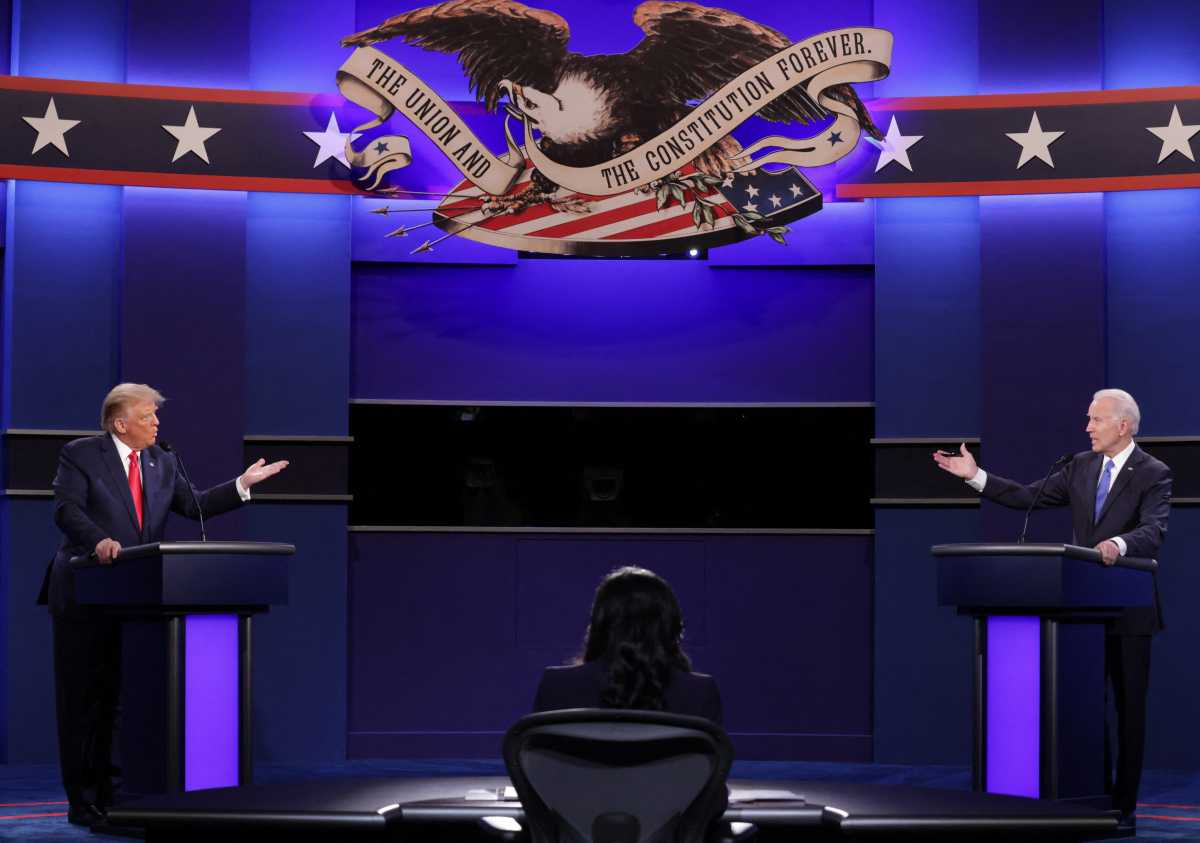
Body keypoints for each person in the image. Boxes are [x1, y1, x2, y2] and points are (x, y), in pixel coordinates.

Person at [37, 383, 288, 827]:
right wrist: (98, 541)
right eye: (148, 416)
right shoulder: (81, 454)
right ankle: (82, 800)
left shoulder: (162, 460)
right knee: (83, 701)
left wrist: (242, 485)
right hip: (84, 592)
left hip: (135, 596)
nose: (157, 423)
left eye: (156, 415)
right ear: (120, 423)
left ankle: (114, 796)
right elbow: (66, 510)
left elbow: (194, 505)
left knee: (118, 701)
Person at [933, 388, 1171, 826]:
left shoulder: (1153, 473)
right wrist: (975, 475)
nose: (1087, 427)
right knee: (1085, 707)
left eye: (1095, 420)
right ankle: (1091, 798)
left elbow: (1153, 531)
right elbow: (1028, 497)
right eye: (1088, 419)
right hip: (1082, 609)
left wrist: (1117, 544)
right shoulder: (1078, 467)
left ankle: (1124, 807)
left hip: (1131, 610)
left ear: (1123, 425)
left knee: (1129, 711)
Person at [533, 566, 722, 724]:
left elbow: (539, 762)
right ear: (670, 625)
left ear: (599, 624)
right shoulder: (700, 693)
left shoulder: (556, 686)